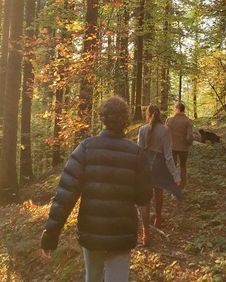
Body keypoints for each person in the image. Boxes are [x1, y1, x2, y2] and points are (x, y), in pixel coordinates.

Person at [41, 95, 152, 282]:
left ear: (103, 117)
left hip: (92, 232)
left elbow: (65, 195)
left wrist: (51, 234)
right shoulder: (136, 154)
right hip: (121, 233)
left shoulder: (85, 149)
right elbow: (143, 197)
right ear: (125, 120)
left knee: (92, 278)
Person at [138, 103, 181, 246]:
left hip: (144, 167)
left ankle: (146, 234)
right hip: (159, 167)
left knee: (144, 199)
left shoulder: (142, 130)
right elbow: (168, 156)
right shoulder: (165, 130)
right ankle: (157, 217)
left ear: (148, 115)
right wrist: (175, 176)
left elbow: (139, 153)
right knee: (158, 193)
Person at [166, 101, 193, 189]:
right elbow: (189, 137)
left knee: (173, 166)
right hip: (184, 148)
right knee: (183, 166)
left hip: (172, 147)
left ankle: (173, 184)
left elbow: (165, 134)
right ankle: (182, 186)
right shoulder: (188, 121)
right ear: (183, 110)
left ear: (177, 109)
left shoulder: (169, 120)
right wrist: (189, 143)